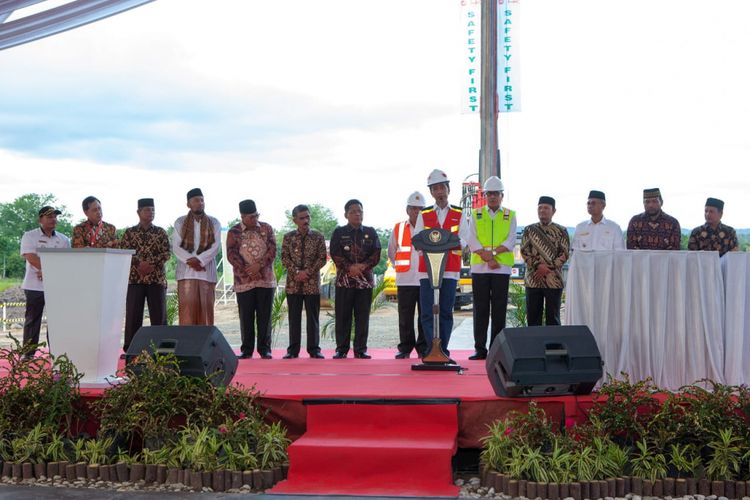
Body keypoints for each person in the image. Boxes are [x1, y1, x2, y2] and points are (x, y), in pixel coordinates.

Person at [414, 169, 469, 357]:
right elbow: (417, 240)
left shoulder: (459, 214)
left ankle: (443, 350)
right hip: (427, 271)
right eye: (435, 189)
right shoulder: (424, 214)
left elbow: (465, 239)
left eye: (442, 188)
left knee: (446, 311)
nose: (440, 192)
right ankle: (431, 350)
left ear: (448, 189)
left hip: (450, 269)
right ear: (431, 192)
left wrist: (445, 245)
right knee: (427, 312)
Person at [463, 176, 516, 360]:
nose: (492, 197)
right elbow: (471, 238)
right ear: (485, 195)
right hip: (480, 268)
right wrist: (487, 257)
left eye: (496, 194)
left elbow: (510, 240)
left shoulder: (510, 215)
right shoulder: (476, 214)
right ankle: (480, 348)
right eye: (489, 194)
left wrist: (492, 255)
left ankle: (496, 348)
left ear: (502, 195)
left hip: (501, 268)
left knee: (499, 308)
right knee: (480, 308)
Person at [330, 199, 382, 359]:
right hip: (344, 281)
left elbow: (376, 254)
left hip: (364, 282)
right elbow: (335, 253)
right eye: (353, 211)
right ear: (346, 214)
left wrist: (362, 266)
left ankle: (360, 349)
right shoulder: (339, 232)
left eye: (360, 211)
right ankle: (341, 349)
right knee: (343, 316)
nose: (357, 214)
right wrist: (349, 267)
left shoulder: (371, 232)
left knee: (362, 316)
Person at [226, 200, 277, 359]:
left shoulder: (266, 228)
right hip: (244, 281)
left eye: (256, 216)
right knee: (246, 316)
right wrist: (248, 271)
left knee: (265, 316)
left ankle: (265, 349)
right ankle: (246, 350)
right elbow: (231, 254)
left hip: (265, 279)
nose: (255, 219)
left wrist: (259, 266)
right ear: (242, 217)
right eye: (251, 217)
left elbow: (273, 249)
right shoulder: (234, 232)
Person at [119, 198, 171, 354]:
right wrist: (139, 264)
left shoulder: (160, 232)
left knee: (159, 316)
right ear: (138, 212)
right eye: (147, 210)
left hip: (156, 279)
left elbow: (166, 253)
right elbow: (124, 252)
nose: (151, 213)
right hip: (135, 279)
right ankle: (131, 349)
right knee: (133, 316)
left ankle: (163, 350)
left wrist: (151, 264)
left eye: (153, 210)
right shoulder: (129, 233)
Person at [20, 206, 71, 356]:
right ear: (40, 219)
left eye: (55, 216)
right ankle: (28, 354)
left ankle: (56, 353)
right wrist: (50, 271)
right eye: (49, 216)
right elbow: (31, 257)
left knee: (56, 321)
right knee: (32, 320)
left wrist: (49, 272)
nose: (53, 219)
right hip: (34, 286)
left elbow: (65, 262)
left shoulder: (63, 239)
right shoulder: (29, 236)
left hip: (56, 286)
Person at [281, 204, 327, 359]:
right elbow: (284, 258)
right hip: (293, 285)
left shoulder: (318, 236)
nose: (306, 220)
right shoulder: (288, 237)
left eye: (308, 217)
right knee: (294, 319)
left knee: (313, 318)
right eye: (302, 218)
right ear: (295, 220)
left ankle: (314, 350)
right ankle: (293, 351)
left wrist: (308, 272)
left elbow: (322, 258)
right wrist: (296, 272)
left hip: (311, 283)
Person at [172, 188, 221, 326]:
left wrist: (200, 260)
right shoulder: (180, 222)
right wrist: (192, 261)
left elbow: (215, 246)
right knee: (187, 315)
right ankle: (188, 346)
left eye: (202, 200)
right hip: (186, 274)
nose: (200, 203)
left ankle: (205, 346)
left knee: (206, 315)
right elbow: (176, 246)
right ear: (188, 204)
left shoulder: (214, 222)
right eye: (196, 200)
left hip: (206, 274)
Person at [387, 191, 427, 359]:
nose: (417, 212)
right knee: (405, 316)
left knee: (424, 316)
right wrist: (400, 267)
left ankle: (423, 348)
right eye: (413, 209)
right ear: (407, 210)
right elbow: (391, 251)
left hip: (425, 279)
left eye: (420, 209)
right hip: (405, 279)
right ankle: (405, 348)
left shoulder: (429, 228)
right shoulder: (399, 228)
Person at [521, 196, 570, 326]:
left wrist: (547, 268)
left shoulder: (561, 230)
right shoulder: (529, 230)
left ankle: (553, 346)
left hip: (553, 280)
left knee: (553, 318)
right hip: (533, 279)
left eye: (546, 208)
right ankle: (533, 346)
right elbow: (524, 252)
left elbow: (564, 254)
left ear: (554, 211)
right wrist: (538, 266)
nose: (542, 210)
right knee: (533, 318)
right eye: (540, 208)